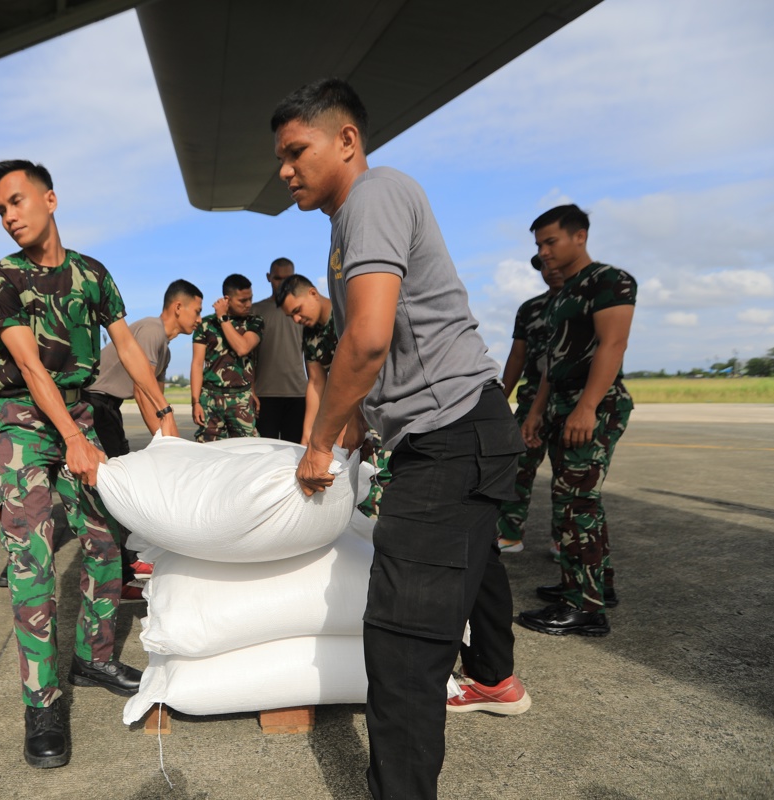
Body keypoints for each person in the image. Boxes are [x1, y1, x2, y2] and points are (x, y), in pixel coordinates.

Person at [273, 78, 530, 800]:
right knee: (469, 572)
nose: (285, 169)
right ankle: (496, 678)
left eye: (297, 151)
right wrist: (363, 417)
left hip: (449, 437)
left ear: (346, 140)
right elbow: (385, 343)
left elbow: (370, 337)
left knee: (402, 648)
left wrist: (320, 441)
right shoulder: (345, 225)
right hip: (461, 433)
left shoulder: (374, 194)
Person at [0, 159, 179, 769]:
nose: (10, 216)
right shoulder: (0, 279)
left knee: (105, 540)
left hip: (80, 418)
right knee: (33, 560)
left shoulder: (92, 274)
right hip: (23, 425)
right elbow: (32, 367)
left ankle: (92, 657)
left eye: (17, 201)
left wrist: (161, 415)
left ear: (51, 199)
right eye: (0, 209)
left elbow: (126, 347)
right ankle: (42, 702)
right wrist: (70, 436)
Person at [518, 204, 635, 637]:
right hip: (560, 403)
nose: (543, 252)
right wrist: (535, 411)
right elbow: (553, 361)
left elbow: (613, 344)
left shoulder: (609, 281)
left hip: (594, 405)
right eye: (539, 245)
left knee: (577, 504)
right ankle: (593, 585)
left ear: (579, 236)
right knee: (575, 502)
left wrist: (587, 406)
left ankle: (583, 608)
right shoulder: (563, 295)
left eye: (551, 242)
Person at [82, 279, 204, 596]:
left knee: (121, 484)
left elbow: (157, 400)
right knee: (113, 488)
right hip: (96, 406)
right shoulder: (152, 330)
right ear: (178, 307)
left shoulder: (162, 348)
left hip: (109, 407)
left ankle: (127, 564)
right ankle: (120, 576)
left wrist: (171, 445)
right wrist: (169, 446)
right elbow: (141, 389)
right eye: (197, 310)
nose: (199, 319)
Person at [276, 273, 390, 518]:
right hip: (348, 416)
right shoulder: (310, 334)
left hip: (378, 410)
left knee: (382, 479)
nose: (297, 319)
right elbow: (316, 382)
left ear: (313, 294)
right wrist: (309, 434)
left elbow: (359, 370)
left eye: (297, 310)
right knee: (354, 486)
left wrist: (348, 422)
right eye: (291, 316)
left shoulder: (348, 314)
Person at [493, 256, 565, 552]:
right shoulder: (530, 309)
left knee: (567, 476)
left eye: (554, 264)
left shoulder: (584, 304)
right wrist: (500, 401)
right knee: (518, 467)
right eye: (544, 267)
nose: (550, 270)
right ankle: (510, 533)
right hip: (531, 396)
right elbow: (517, 357)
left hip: (569, 398)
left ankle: (564, 540)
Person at [191, 274, 263, 441]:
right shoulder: (206, 325)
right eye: (243, 301)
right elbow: (197, 364)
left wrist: (223, 319)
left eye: (250, 299)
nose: (248, 305)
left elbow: (243, 349)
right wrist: (195, 402)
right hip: (210, 398)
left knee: (249, 449)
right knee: (208, 450)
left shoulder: (254, 322)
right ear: (227, 299)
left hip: (242, 397)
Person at [251, 257, 307, 442]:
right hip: (265, 394)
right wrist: (251, 390)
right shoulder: (255, 311)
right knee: (266, 451)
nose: (282, 282)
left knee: (294, 451)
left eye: (287, 278)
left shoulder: (304, 311)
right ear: (268, 277)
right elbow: (248, 357)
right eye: (277, 278)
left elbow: (313, 356)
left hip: (297, 392)